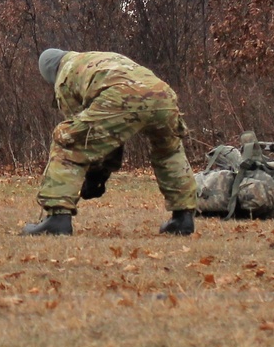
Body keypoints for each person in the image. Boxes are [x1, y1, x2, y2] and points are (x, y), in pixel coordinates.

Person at [23, 49, 198, 236]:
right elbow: (107, 135)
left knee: (68, 141)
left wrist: (95, 176)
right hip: (162, 94)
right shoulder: (95, 59)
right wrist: (102, 173)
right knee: (169, 152)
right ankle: (183, 218)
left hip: (121, 95)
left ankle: (57, 219)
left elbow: (86, 139)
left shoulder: (65, 75)